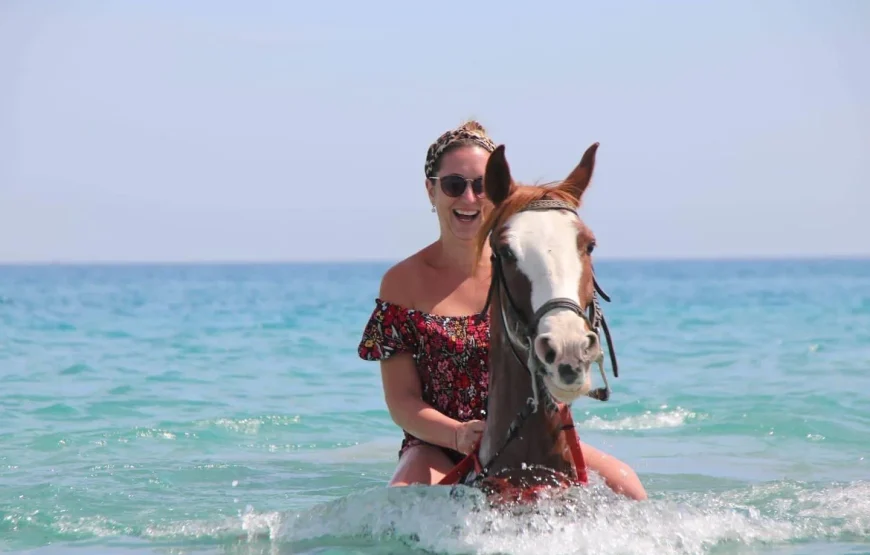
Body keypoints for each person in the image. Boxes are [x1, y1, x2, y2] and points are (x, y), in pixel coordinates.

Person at [357, 120, 647, 501]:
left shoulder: (524, 271)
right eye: (453, 185)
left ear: (495, 191)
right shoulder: (402, 282)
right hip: (438, 447)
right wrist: (458, 434)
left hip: (533, 436)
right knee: (399, 503)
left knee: (630, 488)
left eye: (480, 185)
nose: (469, 198)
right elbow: (402, 402)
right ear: (431, 190)